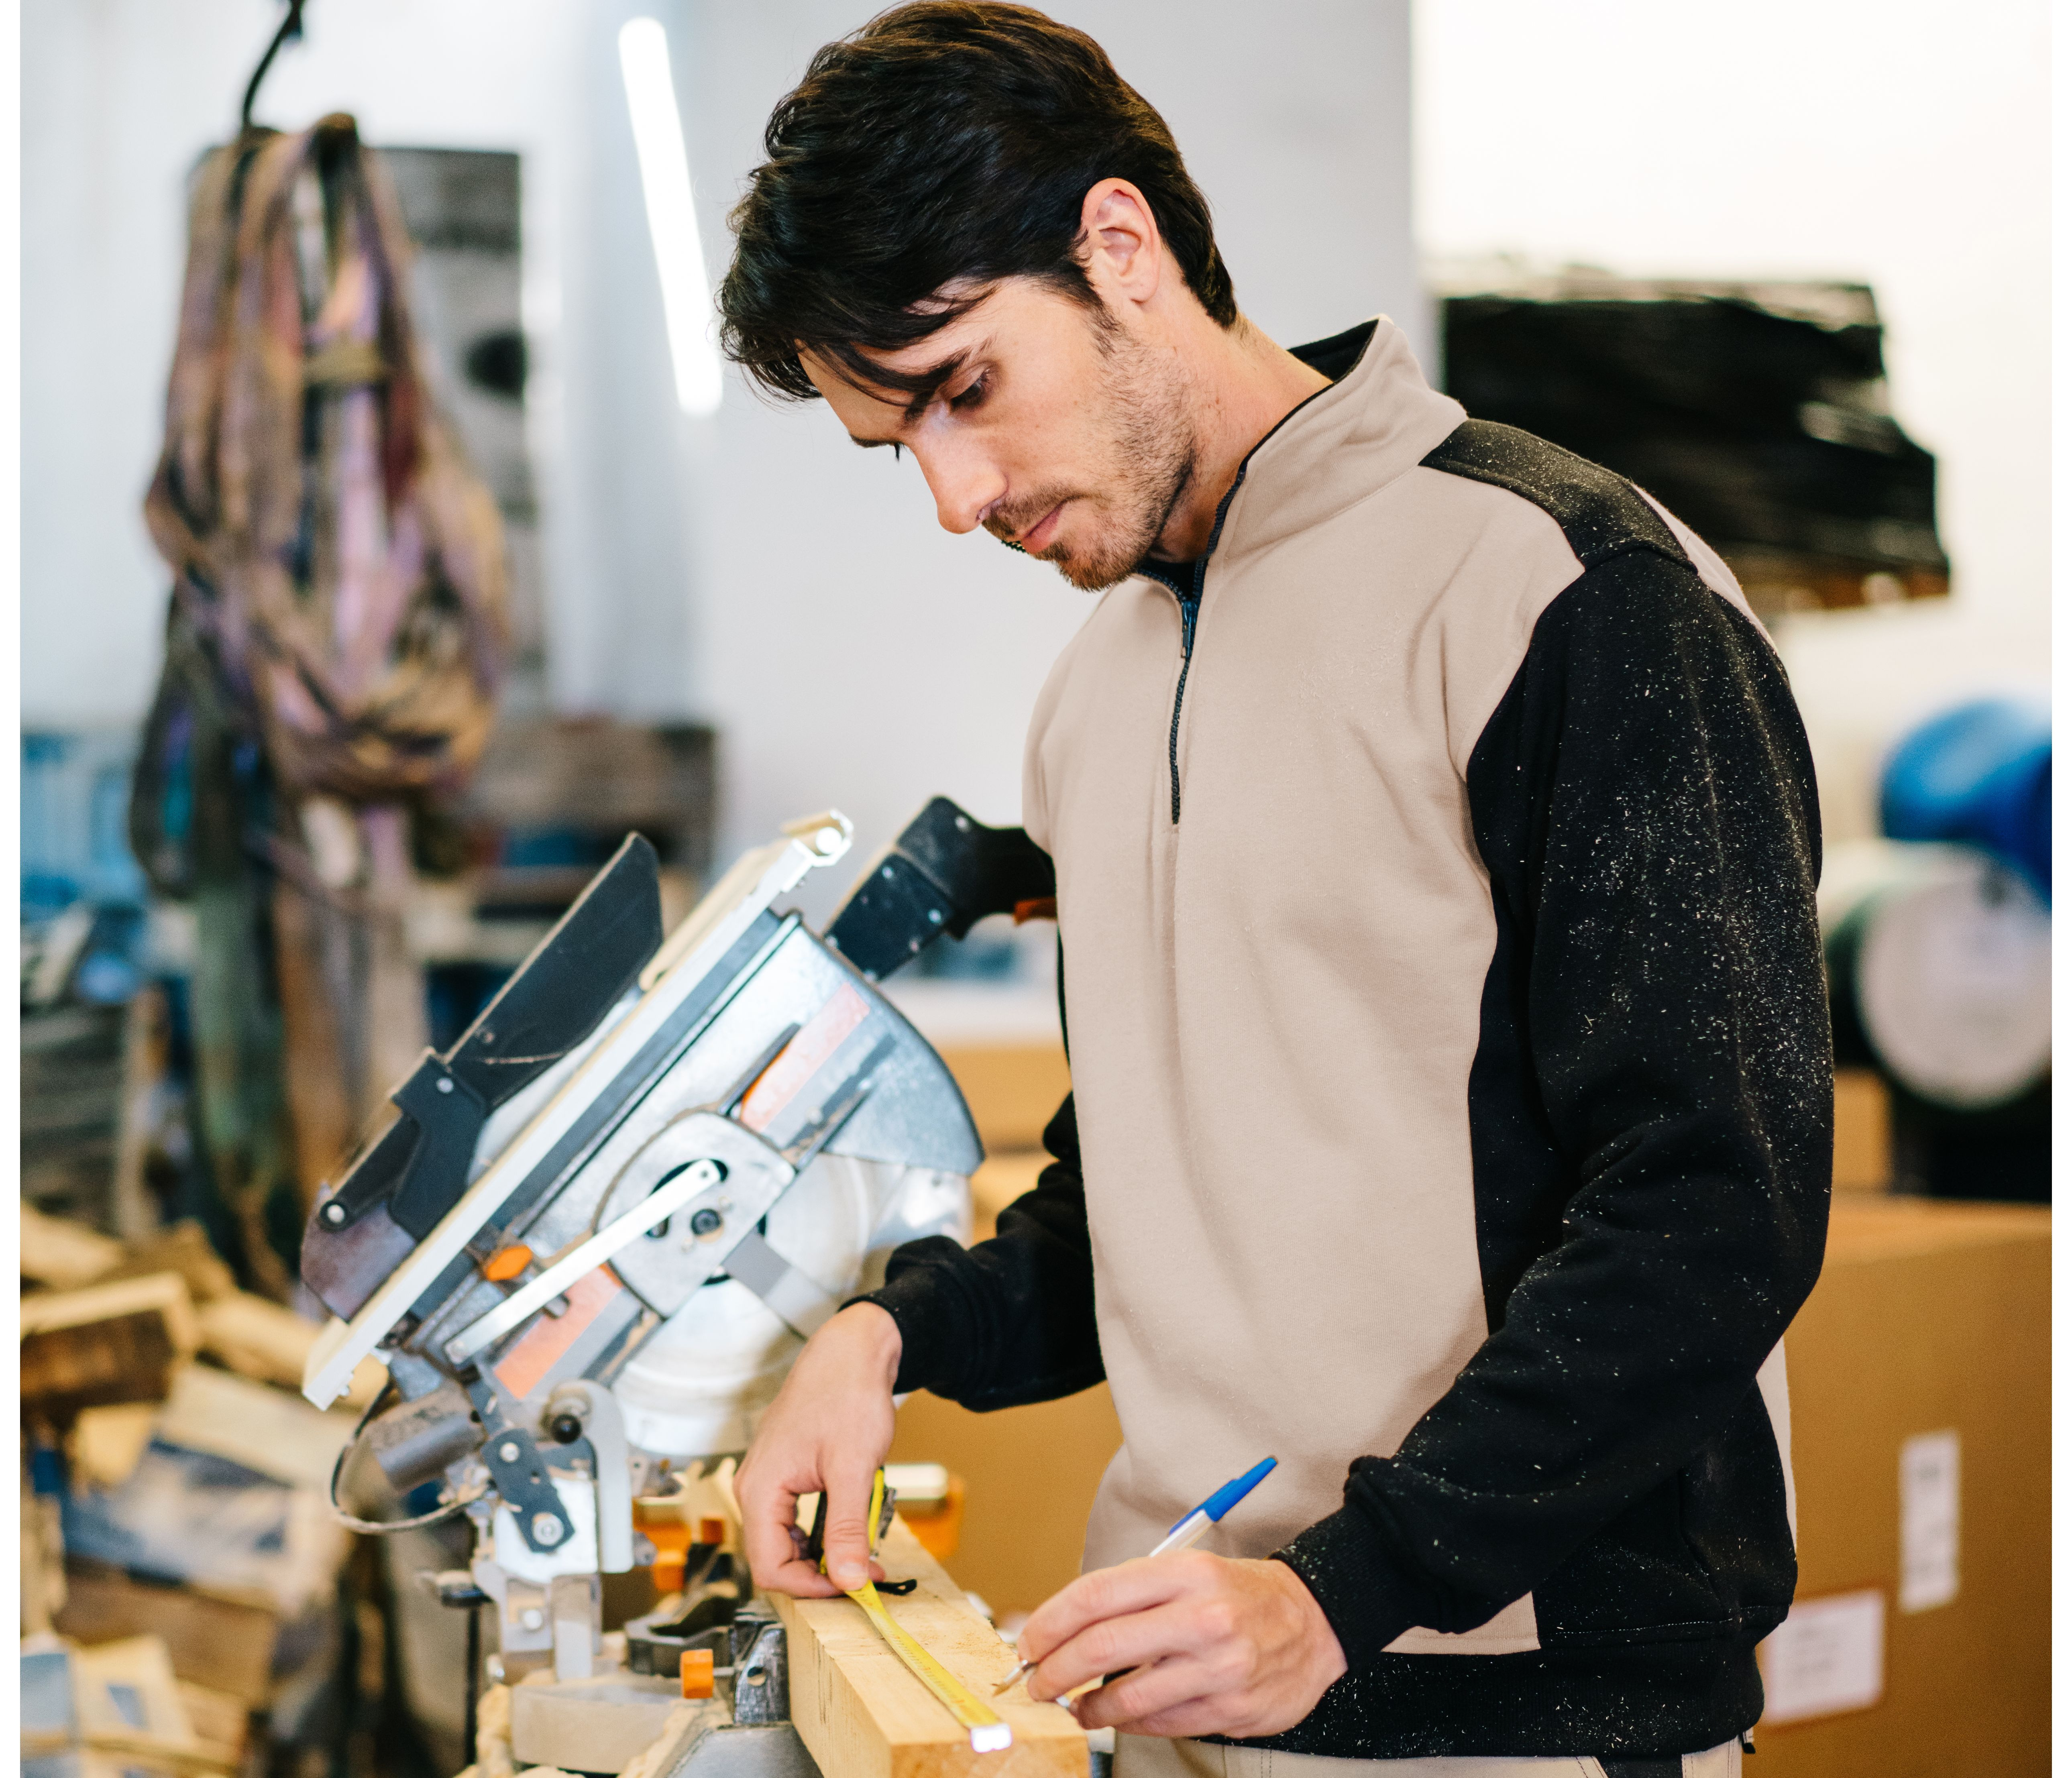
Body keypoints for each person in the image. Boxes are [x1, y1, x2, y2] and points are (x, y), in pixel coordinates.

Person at [716, 8, 1831, 1776]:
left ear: (1119, 247)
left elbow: (1715, 1207)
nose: (951, 495)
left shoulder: (1565, 593)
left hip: (1504, 1708)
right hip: (1178, 1679)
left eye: (965, 390)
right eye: (894, 445)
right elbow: (1146, 1197)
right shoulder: (1097, 687)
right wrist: (886, 1334)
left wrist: (1341, 1593)